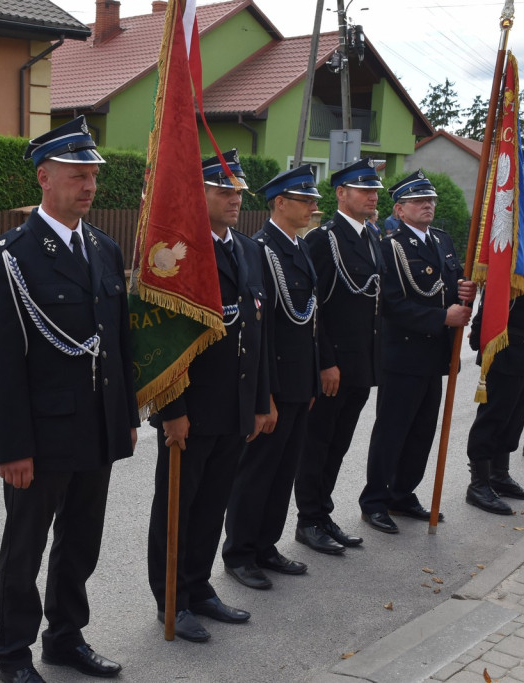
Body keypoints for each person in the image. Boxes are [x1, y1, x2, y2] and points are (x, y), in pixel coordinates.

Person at [0, 116, 139, 683]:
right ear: (45, 177)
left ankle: (65, 637)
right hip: (41, 436)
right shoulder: (12, 256)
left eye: (93, 173)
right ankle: (13, 654)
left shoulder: (103, 247)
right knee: (24, 549)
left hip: (95, 426)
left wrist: (124, 417)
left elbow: (116, 342)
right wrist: (12, 446)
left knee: (81, 542)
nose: (89, 184)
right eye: (76, 173)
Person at [147, 149, 271, 642]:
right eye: (224, 190)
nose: (235, 198)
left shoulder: (246, 249)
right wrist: (171, 410)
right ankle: (170, 599)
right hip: (192, 410)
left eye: (238, 190)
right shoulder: (178, 253)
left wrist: (260, 401)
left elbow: (258, 333)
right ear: (197, 194)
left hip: (234, 406)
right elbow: (162, 341)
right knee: (177, 508)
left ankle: (198, 588)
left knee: (212, 505)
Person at [359, 170, 476, 533]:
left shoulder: (441, 240)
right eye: (419, 201)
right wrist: (443, 316)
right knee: (393, 430)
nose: (428, 206)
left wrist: (466, 293)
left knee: (423, 429)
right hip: (404, 354)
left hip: (436, 355)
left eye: (431, 201)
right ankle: (375, 499)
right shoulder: (390, 244)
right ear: (400, 208)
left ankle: (403, 493)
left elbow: (450, 285)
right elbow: (391, 304)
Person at [222, 164, 320, 588]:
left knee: (284, 470)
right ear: (280, 203)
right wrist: (268, 396)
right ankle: (240, 552)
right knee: (257, 471)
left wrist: (311, 381)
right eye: (306, 200)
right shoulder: (261, 249)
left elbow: (309, 321)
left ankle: (266, 544)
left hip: (300, 381)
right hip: (276, 383)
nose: (314, 207)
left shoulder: (298, 247)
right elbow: (264, 329)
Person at [293, 158, 385, 554]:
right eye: (363, 189)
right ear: (341, 194)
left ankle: (322, 513)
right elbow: (314, 308)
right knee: (318, 444)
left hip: (362, 363)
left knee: (339, 444)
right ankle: (307, 519)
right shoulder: (324, 239)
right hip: (335, 365)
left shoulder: (371, 237)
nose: (372, 196)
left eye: (374, 189)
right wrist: (326, 361)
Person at [465, 196, 524, 514]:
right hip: (508, 352)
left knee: (513, 417)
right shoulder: (511, 260)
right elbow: (492, 303)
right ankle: (478, 483)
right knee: (493, 417)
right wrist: (480, 340)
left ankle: (499, 475)